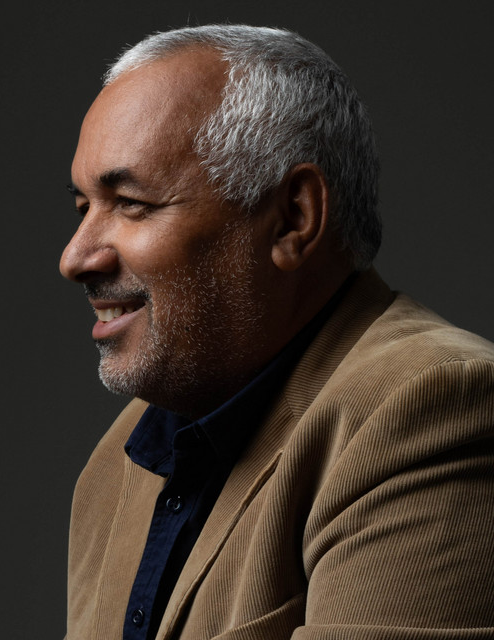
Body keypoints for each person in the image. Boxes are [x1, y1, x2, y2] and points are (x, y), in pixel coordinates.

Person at [59, 25, 494, 640]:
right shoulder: (115, 463)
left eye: (131, 202)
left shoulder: (433, 411)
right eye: (83, 208)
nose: (75, 258)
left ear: (294, 217)